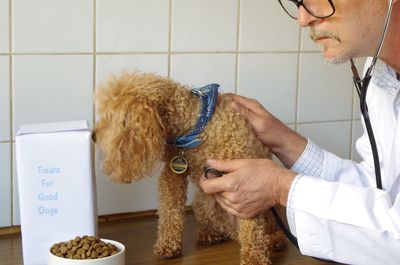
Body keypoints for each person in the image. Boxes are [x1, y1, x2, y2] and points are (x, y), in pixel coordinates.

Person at [199, 0, 400, 264]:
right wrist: (284, 142)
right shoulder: (381, 73)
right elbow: (383, 187)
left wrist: (280, 187)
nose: (303, 19)